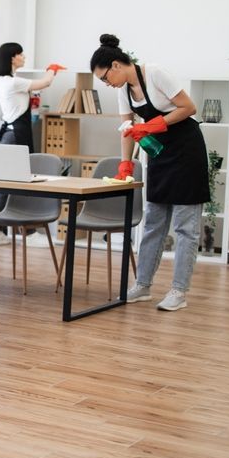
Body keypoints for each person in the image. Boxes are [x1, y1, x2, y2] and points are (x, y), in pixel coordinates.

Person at [90, 33, 209, 311]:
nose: (107, 84)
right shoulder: (123, 92)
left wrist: (152, 125)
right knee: (154, 223)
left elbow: (189, 108)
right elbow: (127, 129)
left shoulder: (155, 74)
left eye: (106, 78)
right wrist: (125, 164)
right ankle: (142, 285)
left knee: (185, 228)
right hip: (159, 155)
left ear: (117, 65)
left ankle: (179, 292)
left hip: (186, 152)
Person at [0, 42, 64, 245]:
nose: (24, 57)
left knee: (6, 184)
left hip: (9, 134)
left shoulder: (3, 83)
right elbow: (45, 83)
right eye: (21, 54)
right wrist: (52, 70)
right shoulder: (13, 82)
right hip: (16, 136)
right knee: (17, 183)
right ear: (12, 58)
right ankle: (27, 232)